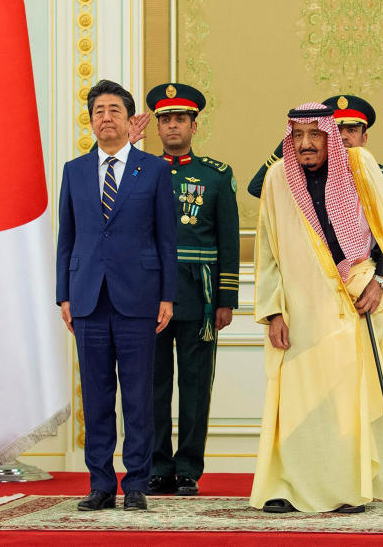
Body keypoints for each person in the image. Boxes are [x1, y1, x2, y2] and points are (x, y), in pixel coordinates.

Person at [249, 102, 383, 514]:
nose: (305, 144)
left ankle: (346, 488)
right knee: (295, 399)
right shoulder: (278, 177)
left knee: (345, 400)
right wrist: (273, 311)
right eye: (297, 135)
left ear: (329, 136)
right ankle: (285, 486)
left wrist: (380, 283)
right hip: (300, 306)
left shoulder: (360, 167)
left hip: (357, 298)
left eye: (314, 135)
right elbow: (266, 250)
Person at [55, 79, 177, 512]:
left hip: (140, 298)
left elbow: (167, 239)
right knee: (97, 394)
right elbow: (66, 239)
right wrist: (63, 296)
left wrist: (167, 294)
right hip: (87, 298)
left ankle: (137, 483)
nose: (105, 117)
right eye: (98, 111)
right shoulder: (74, 171)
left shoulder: (155, 170)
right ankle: (101, 484)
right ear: (91, 122)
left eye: (114, 110)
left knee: (139, 396)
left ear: (130, 121)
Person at [143, 83, 240, 497]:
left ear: (193, 125)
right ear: (158, 127)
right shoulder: (141, 171)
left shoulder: (216, 176)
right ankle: (158, 467)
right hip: (150, 296)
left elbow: (229, 239)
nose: (172, 126)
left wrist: (226, 299)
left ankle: (187, 470)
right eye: (165, 120)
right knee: (153, 386)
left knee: (196, 387)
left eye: (180, 119)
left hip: (199, 298)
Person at [246, 95, 383, 327]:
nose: (342, 136)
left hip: (367, 292)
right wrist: (297, 137)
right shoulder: (300, 175)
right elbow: (257, 187)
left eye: (351, 129)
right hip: (311, 294)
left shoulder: (379, 178)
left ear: (365, 137)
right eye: (335, 128)